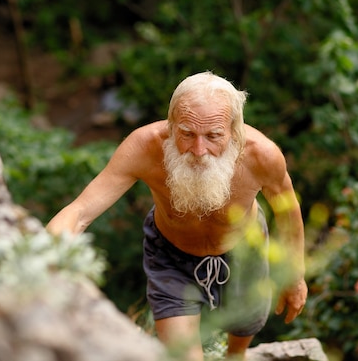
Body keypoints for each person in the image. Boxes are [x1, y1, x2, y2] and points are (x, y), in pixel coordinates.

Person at [46, 71, 307, 361]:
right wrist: (47, 254)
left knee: (244, 327)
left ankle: (236, 355)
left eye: (213, 136)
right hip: (171, 257)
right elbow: (80, 212)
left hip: (244, 248)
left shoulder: (262, 156)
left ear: (234, 131)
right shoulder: (144, 147)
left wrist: (295, 276)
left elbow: (288, 211)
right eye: (186, 133)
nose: (198, 150)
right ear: (171, 126)